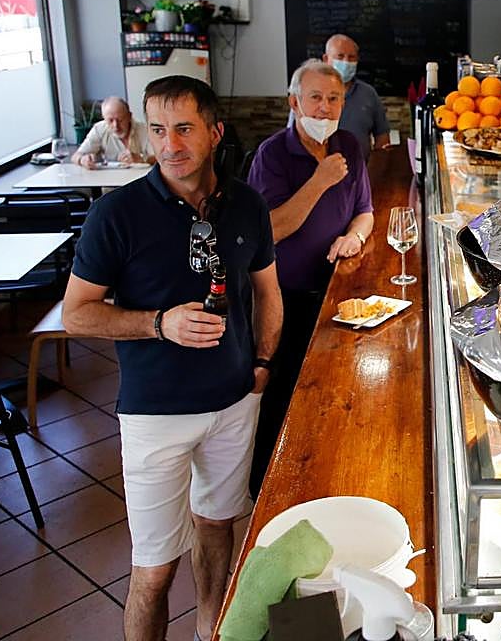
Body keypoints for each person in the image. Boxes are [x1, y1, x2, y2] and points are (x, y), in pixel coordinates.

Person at [62, 75, 283, 641]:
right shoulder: (117, 214)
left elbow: (266, 292)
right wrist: (160, 323)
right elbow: (78, 314)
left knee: (217, 530)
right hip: (154, 413)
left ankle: (210, 632)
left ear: (214, 133)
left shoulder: (247, 204)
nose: (170, 145)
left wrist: (260, 367)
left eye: (184, 129)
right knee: (153, 569)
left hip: (234, 402)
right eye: (158, 130)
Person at [246, 59, 374, 494]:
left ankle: (318, 478)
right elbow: (270, 229)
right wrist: (319, 181)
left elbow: (365, 212)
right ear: (294, 102)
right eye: (315, 98)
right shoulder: (273, 154)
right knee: (280, 393)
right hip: (285, 295)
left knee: (325, 393)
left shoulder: (350, 147)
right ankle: (266, 487)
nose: (324, 109)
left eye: (333, 99)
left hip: (336, 291)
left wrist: (354, 238)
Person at [288, 34, 390, 162]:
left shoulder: (368, 94)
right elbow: (292, 136)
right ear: (326, 59)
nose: (346, 62)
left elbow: (382, 135)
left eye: (351, 57)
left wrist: (376, 169)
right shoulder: (305, 94)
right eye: (340, 57)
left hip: (358, 171)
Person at [71, 96, 155, 167]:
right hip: (110, 183)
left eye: (120, 120)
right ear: (104, 118)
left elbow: (159, 158)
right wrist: (83, 160)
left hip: (141, 181)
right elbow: (75, 156)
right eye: (110, 120)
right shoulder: (99, 129)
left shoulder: (145, 129)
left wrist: (142, 159)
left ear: (129, 116)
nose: (116, 126)